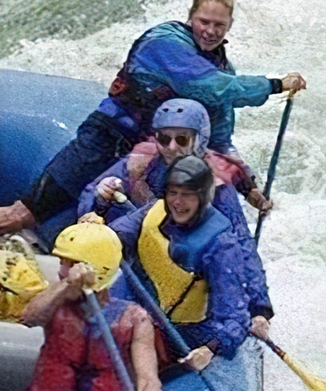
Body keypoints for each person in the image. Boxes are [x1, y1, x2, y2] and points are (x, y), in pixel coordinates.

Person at [0, 0, 306, 239]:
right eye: (205, 21)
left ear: (229, 26)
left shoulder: (222, 66)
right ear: (191, 18)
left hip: (147, 156)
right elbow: (213, 88)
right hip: (105, 138)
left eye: (219, 25)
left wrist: (250, 188)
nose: (210, 31)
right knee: (24, 214)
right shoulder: (165, 43)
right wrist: (275, 85)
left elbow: (219, 138)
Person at [82, 96, 274, 328]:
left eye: (181, 139)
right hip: (139, 256)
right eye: (164, 138)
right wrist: (99, 199)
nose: (171, 148)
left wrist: (259, 308)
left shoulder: (216, 185)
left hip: (188, 270)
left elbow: (242, 244)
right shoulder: (141, 161)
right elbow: (90, 199)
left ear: (198, 140)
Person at [107, 155, 262, 369]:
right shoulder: (155, 209)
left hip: (179, 331)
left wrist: (210, 349)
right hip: (131, 300)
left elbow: (235, 317)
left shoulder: (221, 246)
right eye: (173, 193)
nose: (178, 202)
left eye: (188, 196)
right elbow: (116, 235)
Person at [20, 221, 161, 391]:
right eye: (62, 262)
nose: (62, 271)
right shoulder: (56, 301)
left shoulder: (135, 319)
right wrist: (67, 286)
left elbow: (148, 377)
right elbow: (29, 318)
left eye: (71, 264)